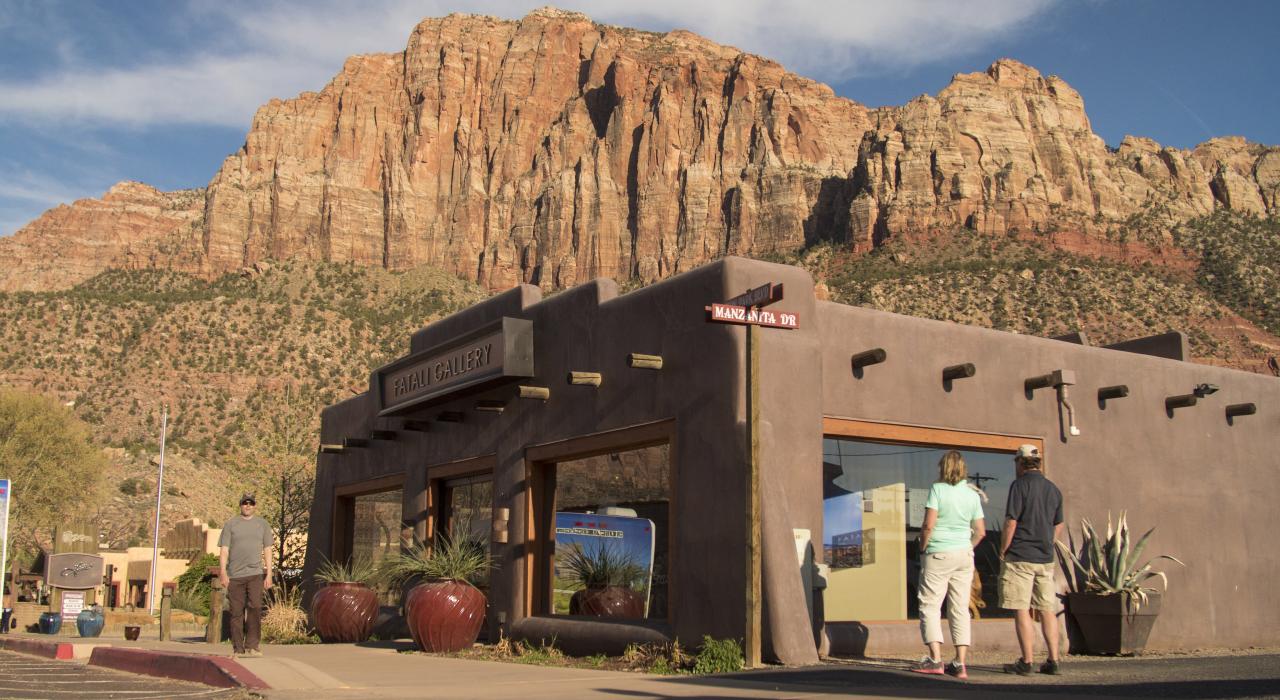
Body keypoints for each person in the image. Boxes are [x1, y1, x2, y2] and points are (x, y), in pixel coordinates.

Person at [912, 451, 986, 680]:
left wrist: (923, 547)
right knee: (960, 607)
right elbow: (981, 532)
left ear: (942, 468)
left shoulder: (938, 489)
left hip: (939, 553)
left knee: (930, 605)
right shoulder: (972, 494)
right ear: (963, 468)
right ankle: (960, 663)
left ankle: (935, 659)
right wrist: (968, 547)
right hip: (964, 554)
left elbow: (928, 525)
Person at [999, 444, 1064, 675]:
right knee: (1047, 609)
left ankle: (1026, 661)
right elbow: (1058, 524)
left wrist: (1004, 549)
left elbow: (1011, 522)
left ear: (1020, 462)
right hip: (1045, 558)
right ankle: (1053, 660)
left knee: (1021, 608)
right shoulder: (1053, 489)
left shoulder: (1019, 486)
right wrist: (1048, 543)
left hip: (1020, 556)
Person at [218, 493, 273, 658]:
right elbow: (224, 550)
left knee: (256, 607)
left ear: (255, 506)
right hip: (235, 575)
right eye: (244, 503)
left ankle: (252, 645)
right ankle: (238, 647)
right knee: (236, 612)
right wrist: (223, 572)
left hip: (255, 573)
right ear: (240, 505)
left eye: (251, 503)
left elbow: (268, 549)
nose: (248, 506)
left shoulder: (262, 525)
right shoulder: (231, 525)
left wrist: (269, 573)